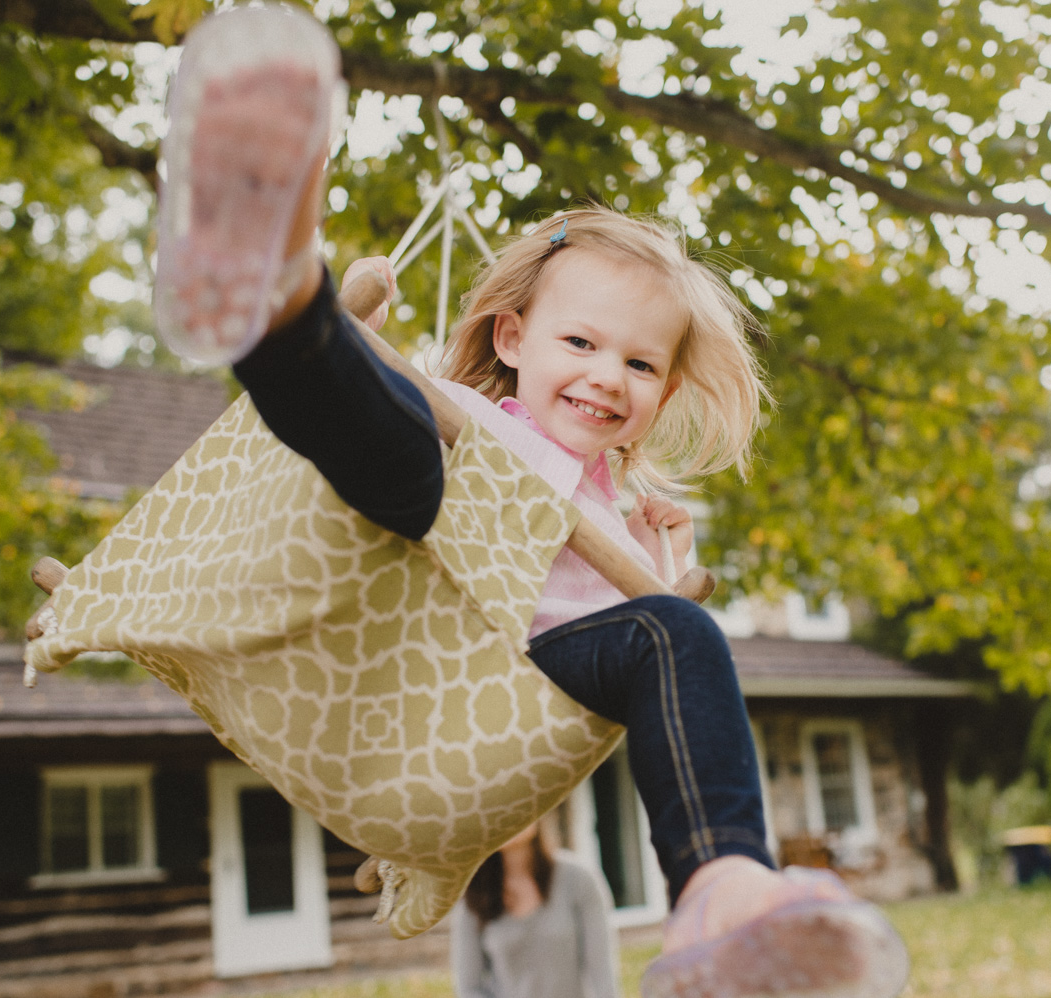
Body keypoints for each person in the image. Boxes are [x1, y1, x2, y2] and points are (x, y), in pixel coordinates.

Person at [152, 6, 909, 996]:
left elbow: (650, 640)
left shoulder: (621, 503)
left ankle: (721, 884)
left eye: (640, 362)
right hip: (439, 606)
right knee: (399, 446)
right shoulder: (478, 416)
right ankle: (276, 296)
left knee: (680, 634)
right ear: (512, 338)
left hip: (537, 668)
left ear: (662, 395)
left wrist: (670, 574)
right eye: (581, 343)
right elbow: (406, 448)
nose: (608, 376)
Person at [451, 821, 620, 998]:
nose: (510, 819)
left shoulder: (578, 879)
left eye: (518, 806)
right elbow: (469, 989)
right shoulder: (475, 894)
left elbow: (603, 975)